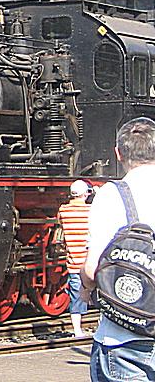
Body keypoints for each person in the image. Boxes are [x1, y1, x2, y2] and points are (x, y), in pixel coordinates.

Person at [81, 117, 155, 381]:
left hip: (125, 340)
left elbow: (92, 270)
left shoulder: (112, 194)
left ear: (118, 153)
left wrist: (86, 290)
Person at [57, 178, 92, 338]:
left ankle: (77, 330)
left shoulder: (63, 211)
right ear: (85, 194)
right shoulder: (91, 210)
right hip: (91, 262)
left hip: (74, 263)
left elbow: (59, 222)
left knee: (76, 296)